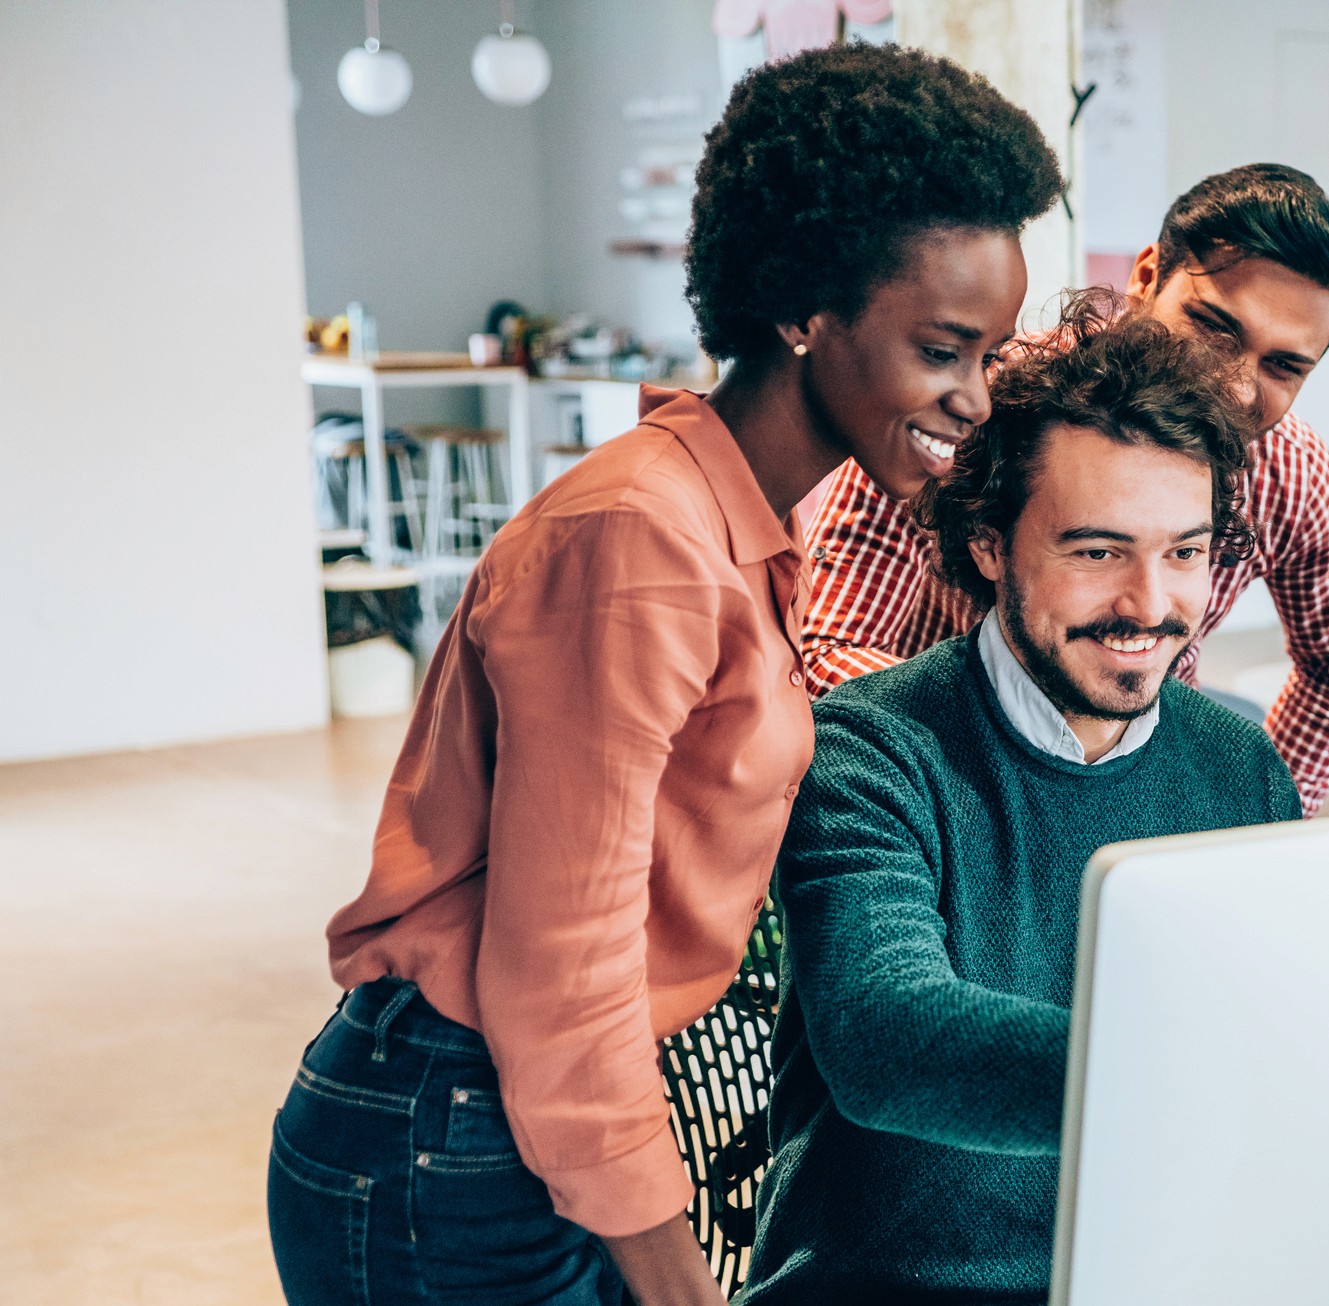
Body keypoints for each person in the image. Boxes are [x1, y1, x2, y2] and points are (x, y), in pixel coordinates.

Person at [267, 45, 1063, 1306]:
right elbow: (561, 966)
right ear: (805, 305)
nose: (972, 398)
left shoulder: (735, 520)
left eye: (990, 356)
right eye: (944, 349)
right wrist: (676, 1283)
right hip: (456, 1134)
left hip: (506, 1122)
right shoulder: (644, 541)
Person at [738, 303, 1301, 1302]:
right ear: (991, 543)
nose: (1147, 604)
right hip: (880, 1285)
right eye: (1095, 551)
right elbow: (887, 1035)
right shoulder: (870, 746)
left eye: (1183, 552)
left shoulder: (1237, 767)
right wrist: (1199, 1068)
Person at [799, 163, 1329, 815]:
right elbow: (826, 646)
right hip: (939, 788)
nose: (1237, 387)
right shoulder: (976, 404)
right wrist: (947, 783)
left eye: (1283, 366)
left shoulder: (1293, 474)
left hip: (1143, 796)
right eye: (1216, 328)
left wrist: (1249, 825)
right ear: (1144, 279)